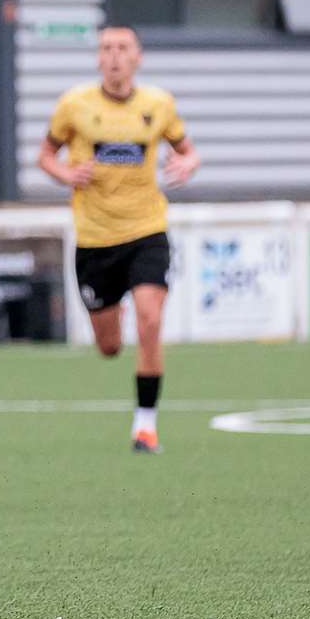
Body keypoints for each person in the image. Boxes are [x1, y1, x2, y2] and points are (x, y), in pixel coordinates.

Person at [39, 24, 199, 454]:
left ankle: (145, 427)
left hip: (147, 230)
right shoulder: (74, 105)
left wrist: (187, 165)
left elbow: (187, 150)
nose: (114, 56)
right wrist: (66, 174)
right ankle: (115, 316)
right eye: (106, 48)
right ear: (98, 59)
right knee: (109, 346)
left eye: (122, 48)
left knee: (150, 320)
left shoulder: (158, 104)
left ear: (137, 57)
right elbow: (44, 155)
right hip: (94, 240)